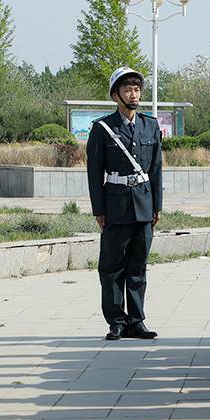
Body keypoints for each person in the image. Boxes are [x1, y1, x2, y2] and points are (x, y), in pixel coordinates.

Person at [86, 67, 162, 341]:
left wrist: (157, 206)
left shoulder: (150, 125)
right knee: (112, 268)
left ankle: (137, 320)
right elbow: (94, 172)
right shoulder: (103, 128)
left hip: (143, 205)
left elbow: (156, 169)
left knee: (138, 268)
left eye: (137, 89)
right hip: (115, 206)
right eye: (128, 89)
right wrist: (99, 209)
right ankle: (116, 321)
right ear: (115, 95)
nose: (134, 94)